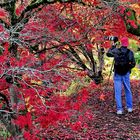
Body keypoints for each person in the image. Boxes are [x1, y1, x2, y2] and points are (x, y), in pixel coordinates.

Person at [106, 37, 136, 115]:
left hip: (117, 74)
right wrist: (127, 69)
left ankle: (119, 109)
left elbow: (108, 53)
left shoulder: (116, 51)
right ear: (127, 43)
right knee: (128, 90)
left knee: (118, 92)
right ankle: (129, 108)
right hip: (126, 74)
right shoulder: (130, 52)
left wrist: (113, 46)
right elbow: (133, 63)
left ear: (121, 43)